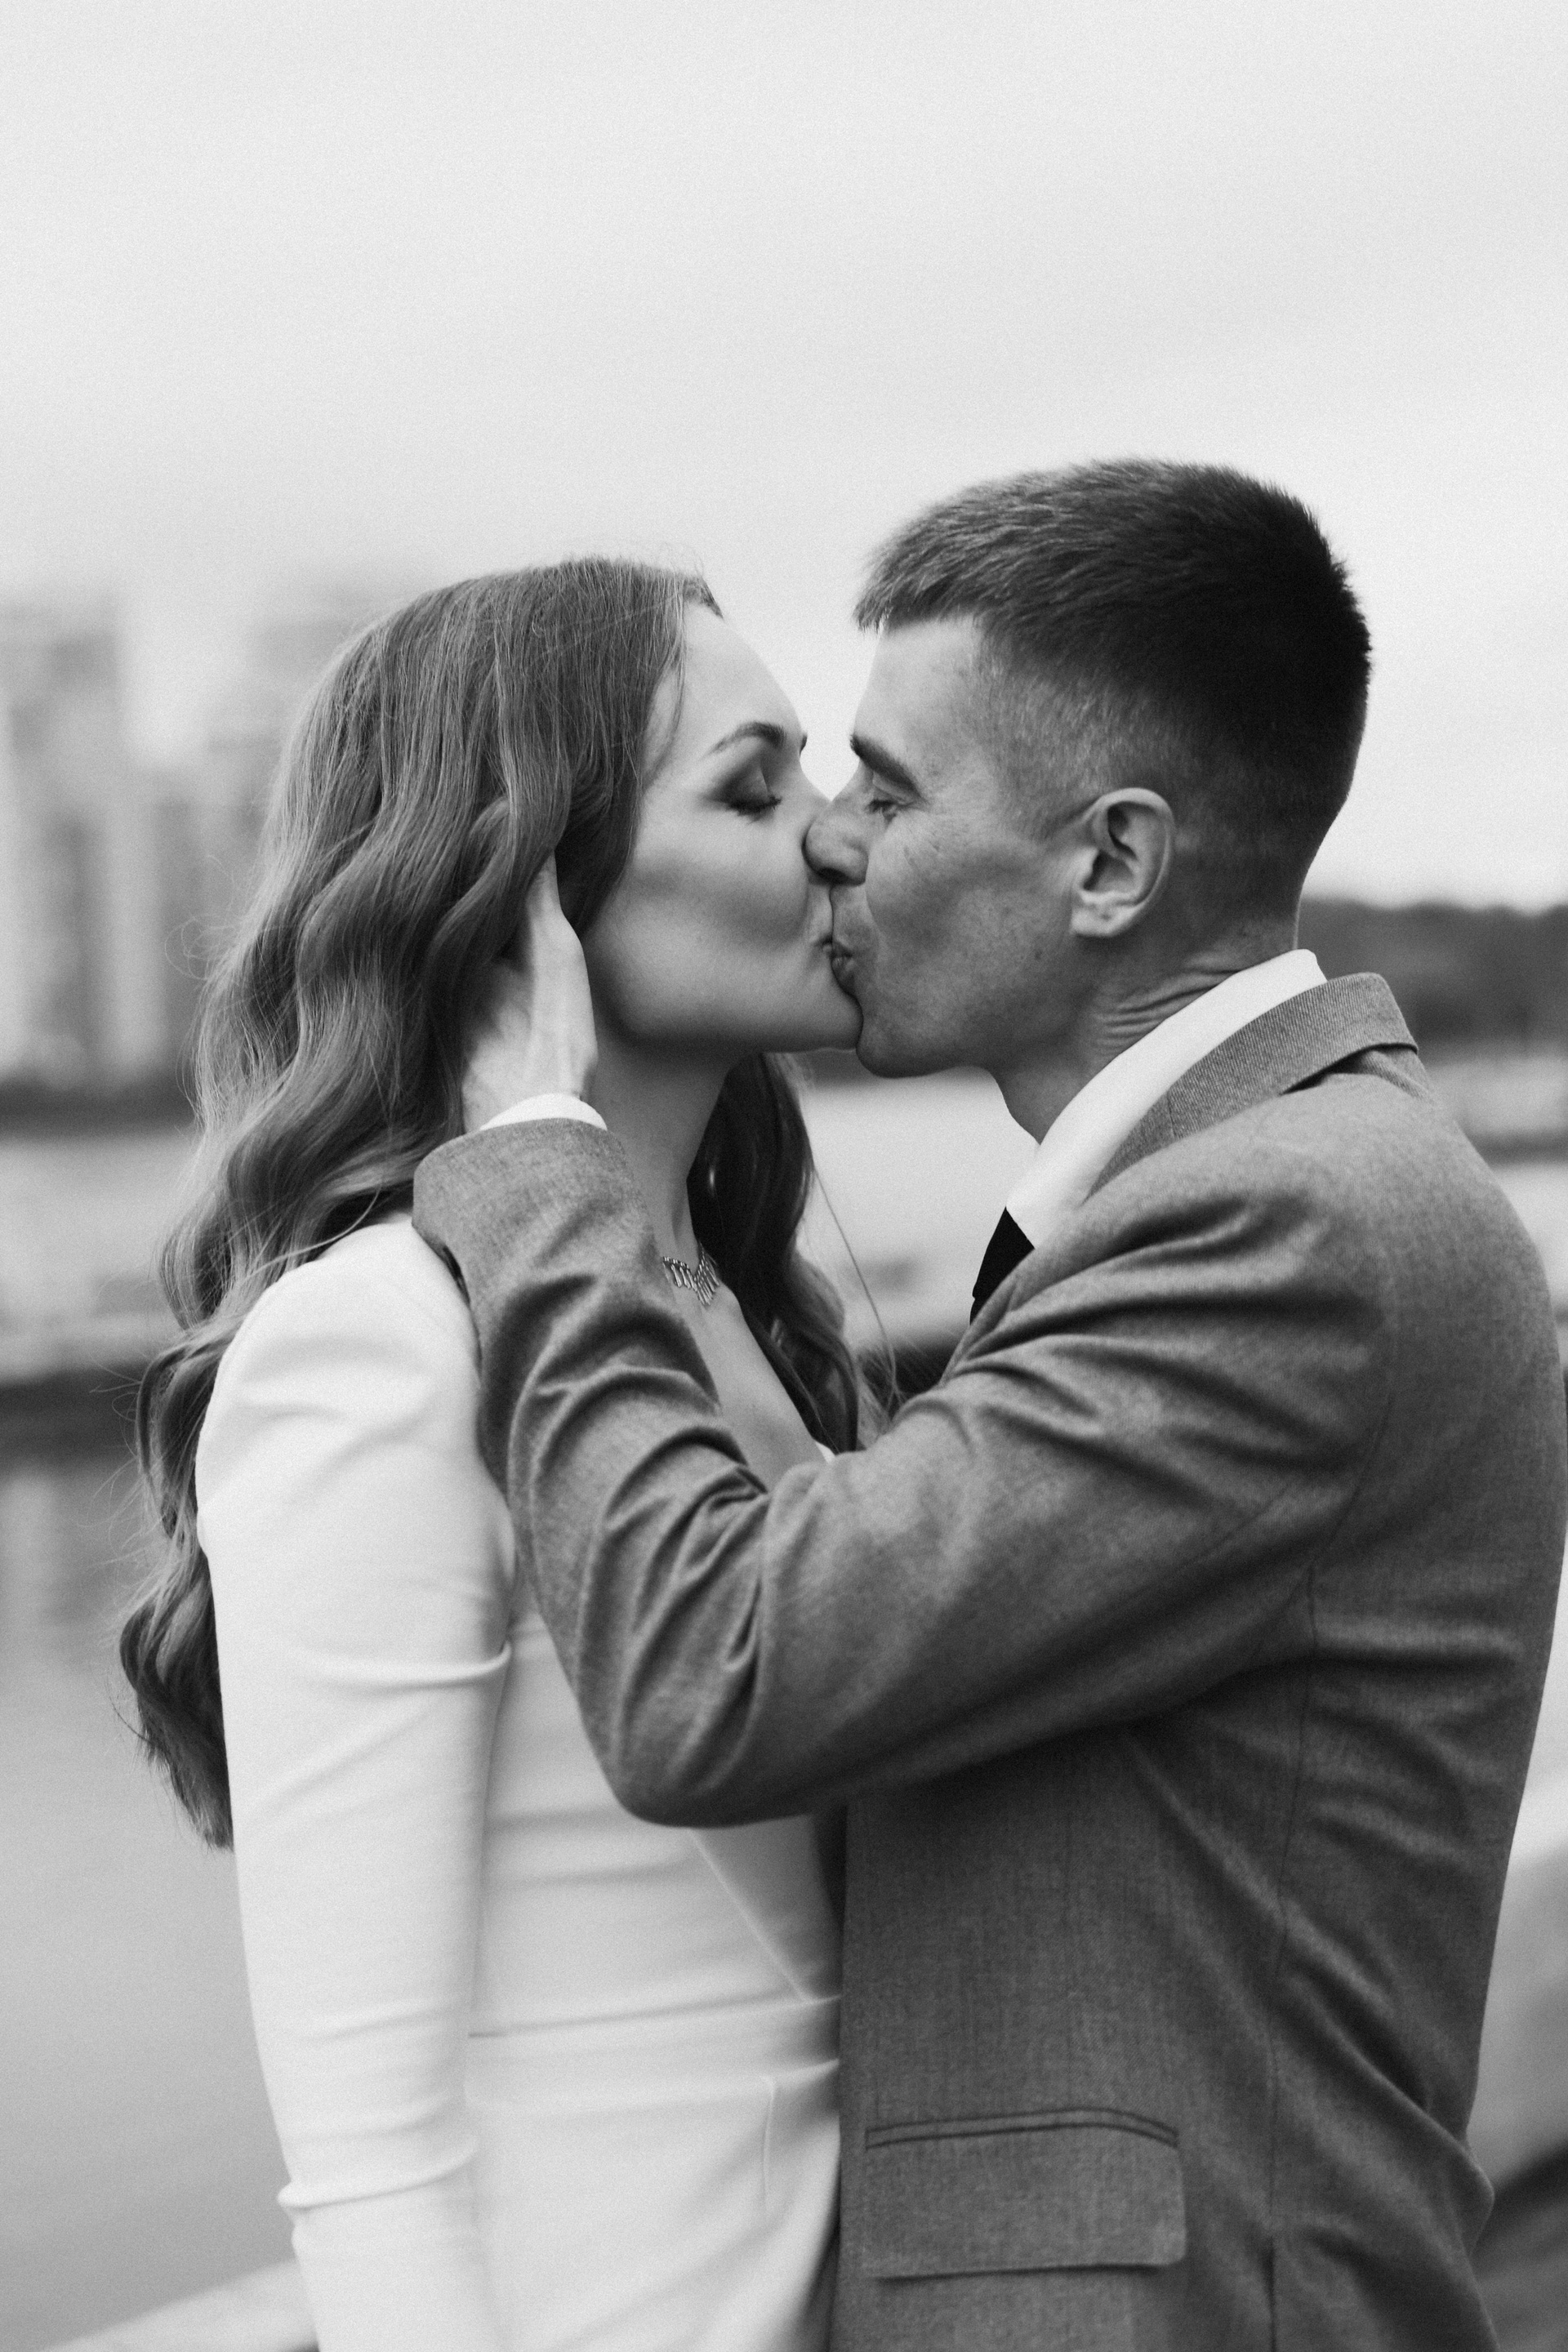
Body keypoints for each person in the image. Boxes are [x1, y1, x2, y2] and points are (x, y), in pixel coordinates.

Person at [415, 462, 1568, 2351]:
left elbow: (719, 1669)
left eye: (887, 788)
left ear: (1111, 864)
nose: (833, 840)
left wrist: (540, 1157)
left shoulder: (1291, 1226)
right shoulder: (1247, 1190)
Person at [120, 559, 873, 2352]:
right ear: (532, 886)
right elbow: (365, 2159)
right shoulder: (382, 1339)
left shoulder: (755, 1323)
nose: (842, 836)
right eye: (754, 787)